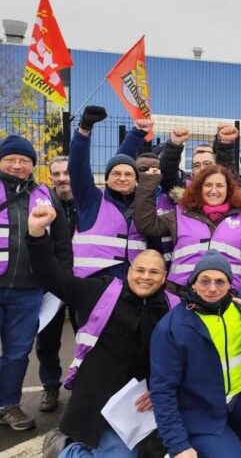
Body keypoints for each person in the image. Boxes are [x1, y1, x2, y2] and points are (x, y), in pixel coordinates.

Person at [27, 205, 179, 458]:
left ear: (164, 277)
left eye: (154, 272)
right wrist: (36, 234)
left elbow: (184, 358)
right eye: (139, 270)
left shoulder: (173, 307)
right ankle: (68, 449)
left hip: (143, 407)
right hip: (96, 400)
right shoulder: (100, 292)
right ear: (129, 271)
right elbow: (52, 277)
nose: (145, 277)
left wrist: (161, 388)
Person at [150, 250, 241, 458]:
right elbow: (162, 391)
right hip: (201, 413)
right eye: (205, 281)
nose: (212, 288)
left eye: (220, 282)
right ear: (193, 283)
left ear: (230, 285)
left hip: (239, 397)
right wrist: (177, 446)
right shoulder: (170, 328)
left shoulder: (238, 302)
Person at [0, 135, 72, 431]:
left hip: (29, 290)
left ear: (32, 164)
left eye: (24, 160)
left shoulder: (44, 193)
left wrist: (62, 278)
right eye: (10, 159)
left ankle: (9, 405)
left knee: (18, 351)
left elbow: (61, 240)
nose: (17, 165)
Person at [133, 165, 241, 300]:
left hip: (229, 296)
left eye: (219, 185)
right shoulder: (180, 212)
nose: (213, 190)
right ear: (199, 188)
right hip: (181, 295)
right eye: (208, 185)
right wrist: (149, 182)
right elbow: (146, 225)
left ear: (228, 189)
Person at [69, 106, 153, 279]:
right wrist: (84, 130)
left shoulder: (144, 205)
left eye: (128, 174)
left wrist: (137, 134)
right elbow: (77, 167)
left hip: (133, 288)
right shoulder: (91, 200)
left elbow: (121, 161)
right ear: (106, 179)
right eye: (116, 174)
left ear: (137, 180)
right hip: (93, 289)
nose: (122, 178)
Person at [35, 155, 78, 414]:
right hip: (51, 282)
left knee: (86, 334)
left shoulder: (88, 202)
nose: (62, 178)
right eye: (57, 174)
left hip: (81, 280)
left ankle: (84, 384)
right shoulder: (40, 204)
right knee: (47, 337)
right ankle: (50, 386)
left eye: (67, 172)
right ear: (50, 177)